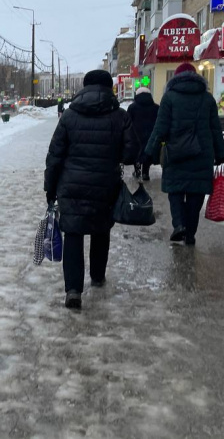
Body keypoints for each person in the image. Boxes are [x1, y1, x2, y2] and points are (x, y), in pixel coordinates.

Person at [44, 70, 138, 310]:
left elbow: (54, 156)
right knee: (100, 229)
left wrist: (50, 188)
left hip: (71, 185)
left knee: (73, 234)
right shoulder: (120, 116)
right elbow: (130, 155)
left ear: (84, 88)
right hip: (105, 185)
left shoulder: (69, 116)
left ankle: (73, 290)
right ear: (109, 88)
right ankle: (97, 276)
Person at [145, 63, 224, 246]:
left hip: (176, 153)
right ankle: (190, 233)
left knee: (176, 191)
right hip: (202, 154)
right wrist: (220, 154)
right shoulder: (207, 99)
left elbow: (160, 129)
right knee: (196, 194)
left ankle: (179, 224)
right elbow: (215, 129)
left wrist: (150, 152)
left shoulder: (169, 98)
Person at [126, 87, 160, 181]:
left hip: (136, 134)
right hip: (151, 134)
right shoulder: (156, 107)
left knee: (137, 152)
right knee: (148, 152)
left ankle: (137, 170)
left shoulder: (132, 107)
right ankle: (145, 172)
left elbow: (128, 121)